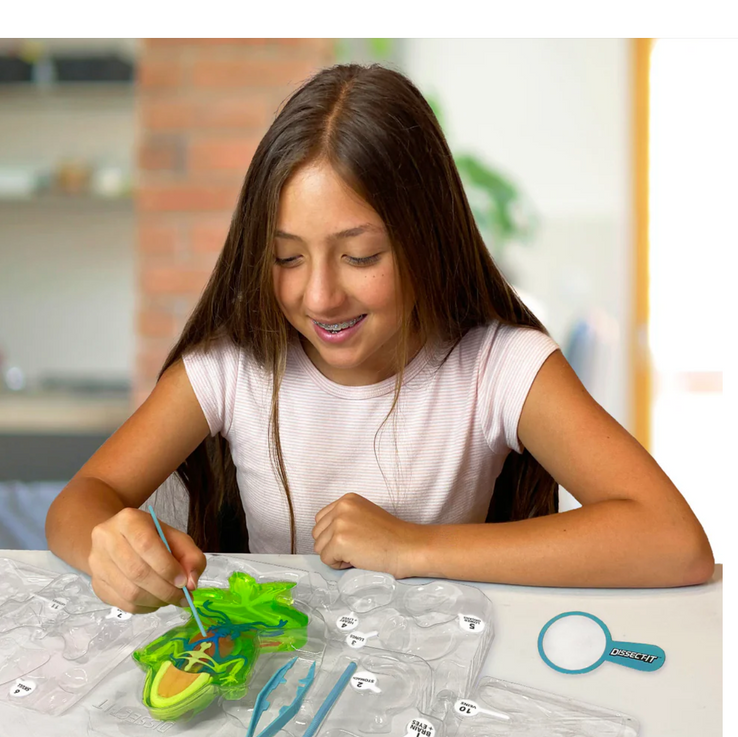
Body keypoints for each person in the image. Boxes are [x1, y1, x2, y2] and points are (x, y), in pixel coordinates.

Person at [46, 63, 714, 614]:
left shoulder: (497, 367)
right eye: (286, 258)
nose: (319, 296)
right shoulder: (234, 366)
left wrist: (411, 548)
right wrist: (109, 544)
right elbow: (78, 503)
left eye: (360, 257)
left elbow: (671, 542)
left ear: (427, 241)